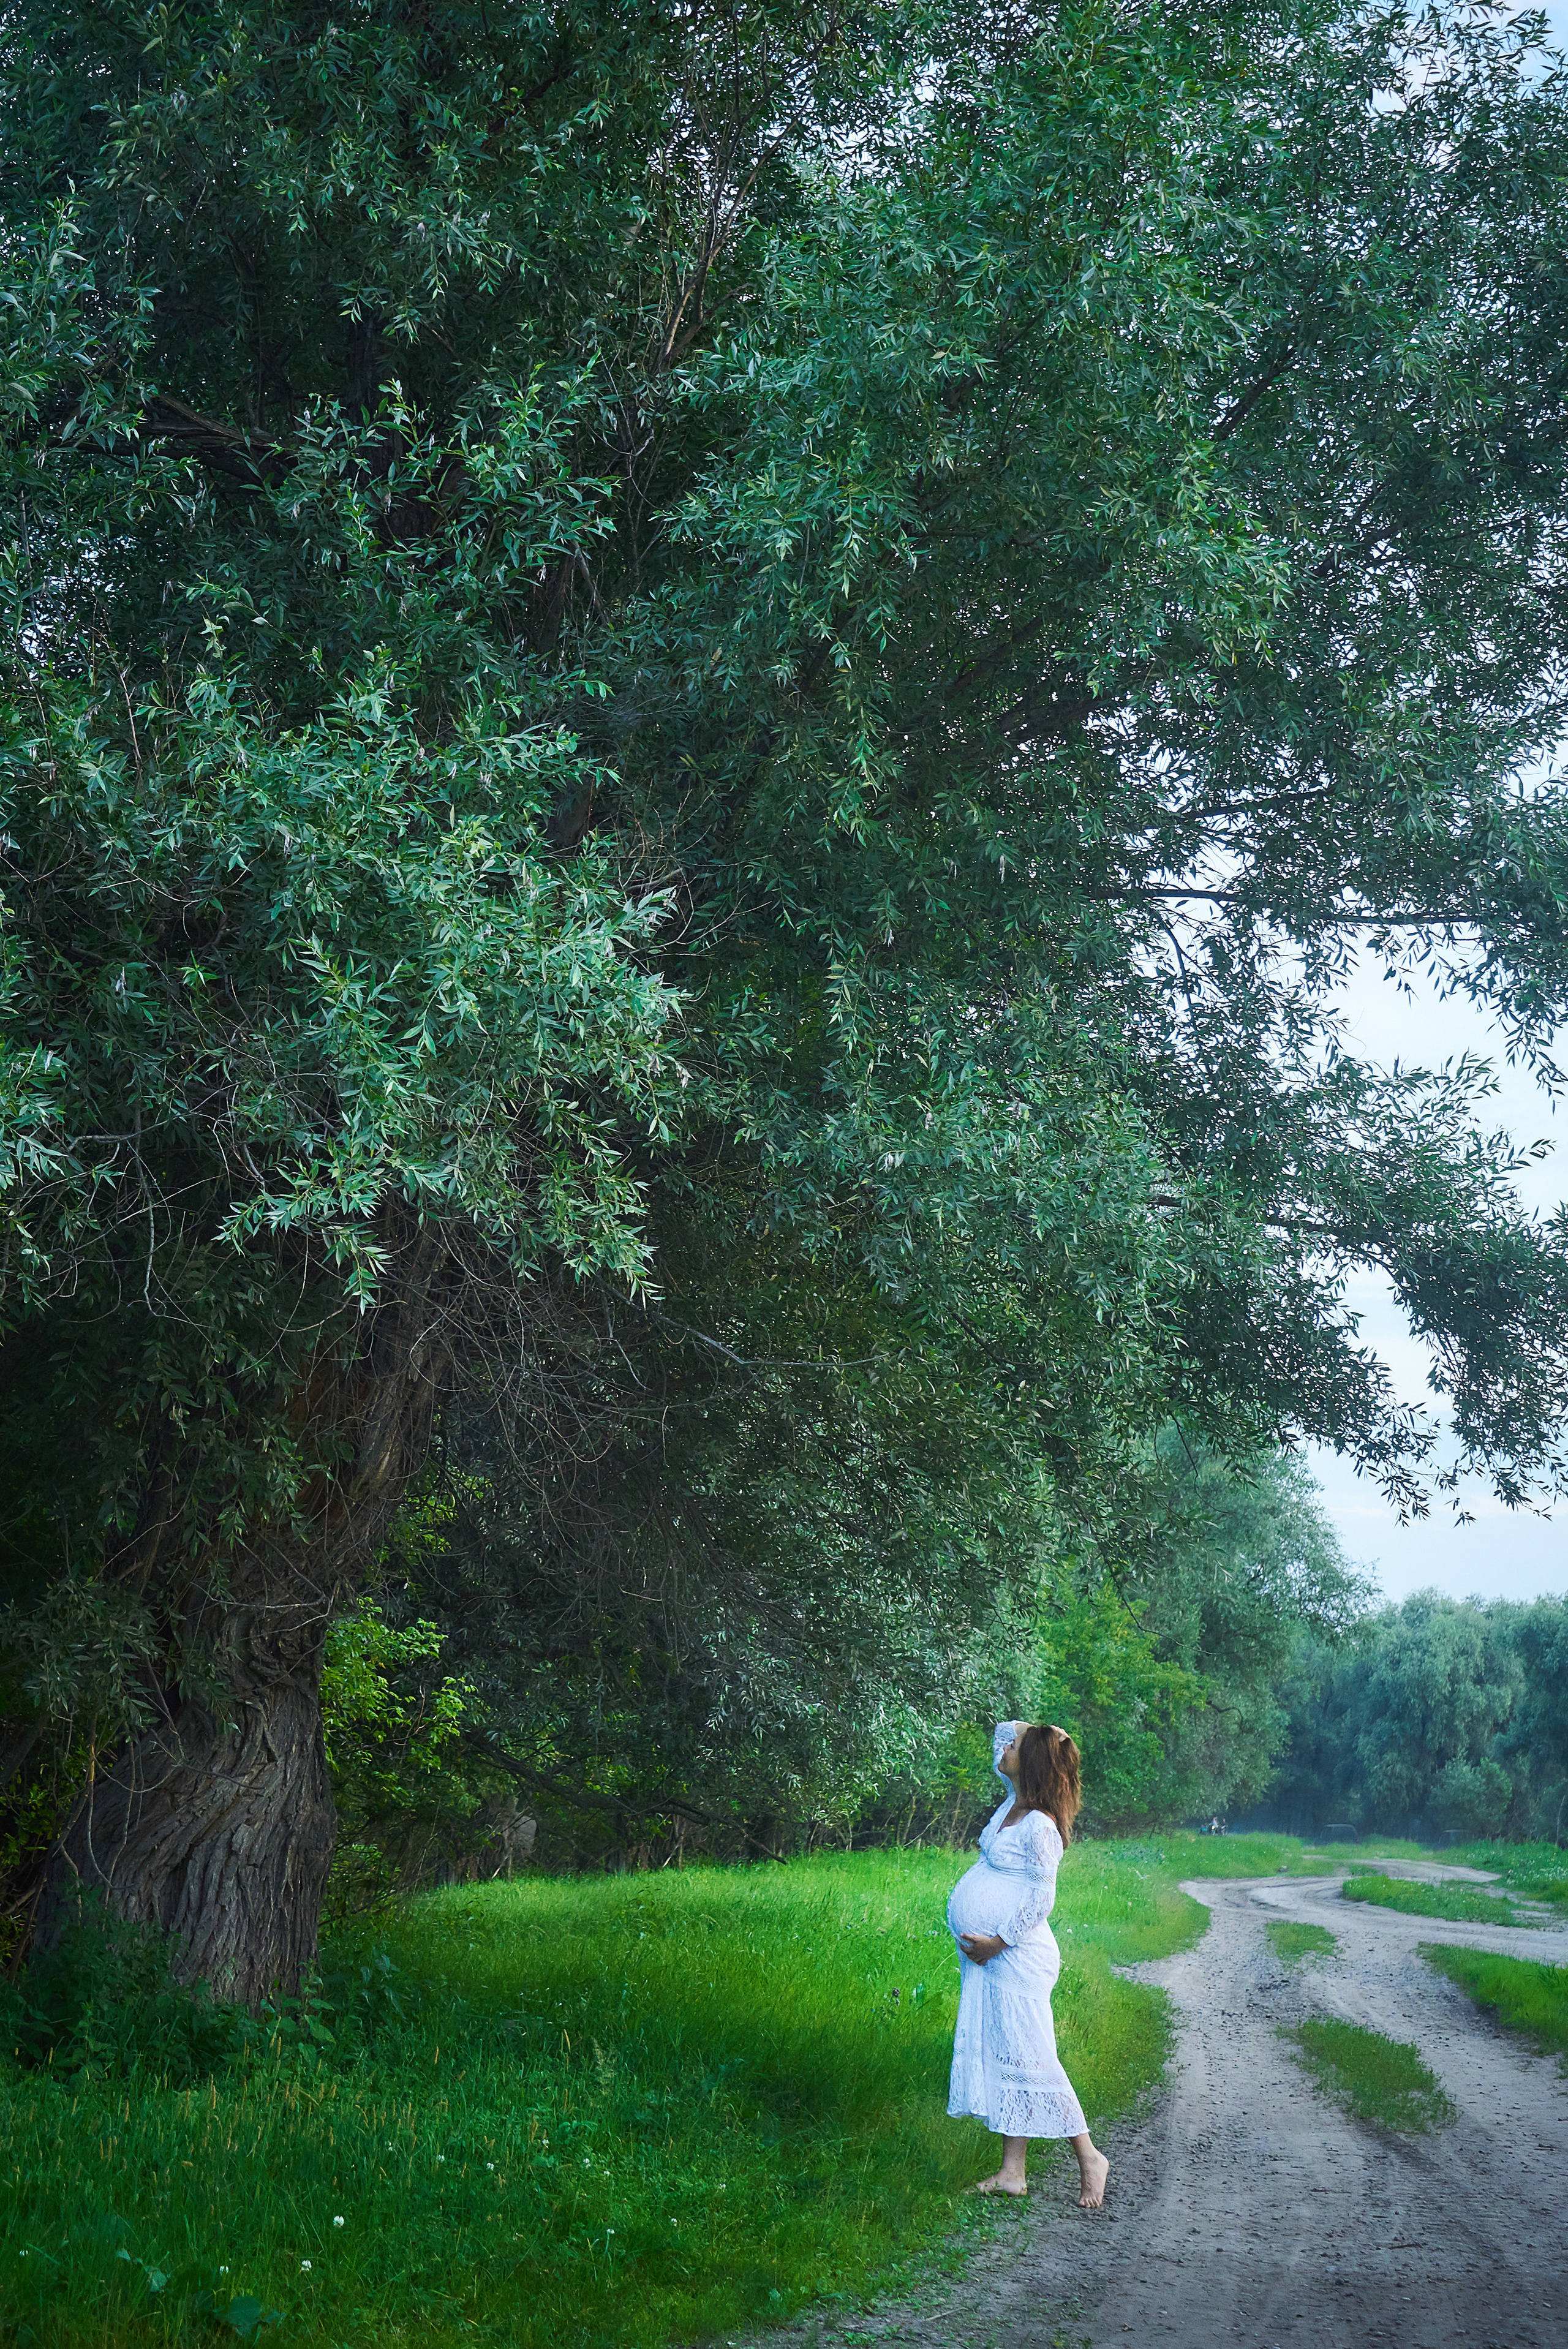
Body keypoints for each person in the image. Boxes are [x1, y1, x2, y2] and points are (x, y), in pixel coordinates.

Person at [945, 1720, 1109, 2208]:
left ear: (1032, 1759)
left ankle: (1089, 2156)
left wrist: (998, 1941)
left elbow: (1042, 1898)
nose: (1003, 1745)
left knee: (1034, 2059)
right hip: (995, 1959)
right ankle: (1012, 2172)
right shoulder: (1010, 1807)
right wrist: (1036, 1738)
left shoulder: (1040, 1825)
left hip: (1017, 1956)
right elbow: (1008, 1742)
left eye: (1014, 1744)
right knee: (1010, 2056)